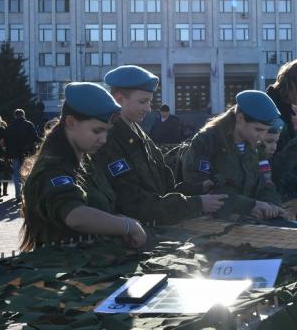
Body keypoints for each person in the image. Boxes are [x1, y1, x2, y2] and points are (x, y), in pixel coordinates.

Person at [93, 65, 226, 226]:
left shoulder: (139, 133)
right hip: (134, 234)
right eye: (143, 102)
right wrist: (196, 203)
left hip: (156, 227)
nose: (148, 109)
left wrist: (198, 189)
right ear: (119, 99)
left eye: (149, 101)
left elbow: (165, 188)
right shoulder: (108, 138)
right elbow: (132, 203)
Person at [20, 82, 146, 251]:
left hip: (92, 263)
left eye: (107, 131)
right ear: (71, 122)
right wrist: (128, 226)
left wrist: (115, 221)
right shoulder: (52, 168)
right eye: (97, 131)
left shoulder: (86, 163)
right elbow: (75, 216)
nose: (104, 139)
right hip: (64, 271)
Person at [181, 90, 287, 219]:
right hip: (212, 224)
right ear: (240, 118)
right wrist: (249, 206)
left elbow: (266, 183)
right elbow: (201, 188)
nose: (261, 136)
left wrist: (272, 205)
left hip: (249, 222)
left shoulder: (256, 147)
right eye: (258, 129)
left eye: (265, 131)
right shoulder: (207, 141)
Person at [5, 109, 40, 201]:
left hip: (15, 154)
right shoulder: (29, 125)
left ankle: (18, 195)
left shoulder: (10, 127)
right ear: (23, 115)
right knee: (28, 174)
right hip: (28, 153)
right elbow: (35, 137)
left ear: (14, 116)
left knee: (16, 175)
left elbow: (6, 142)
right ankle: (27, 195)